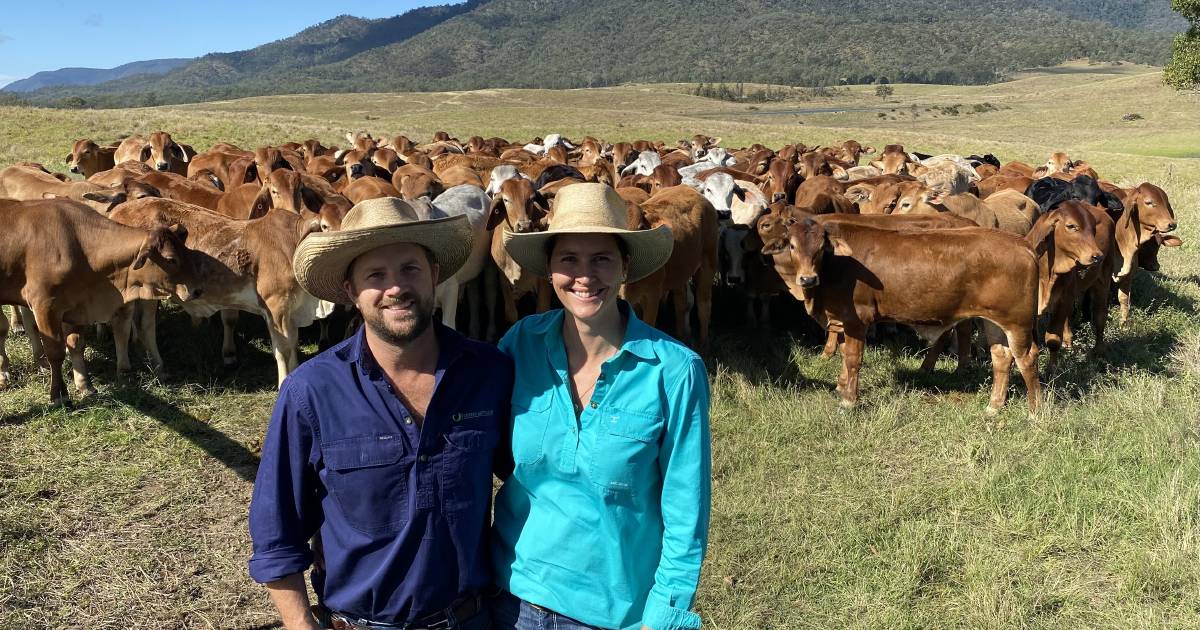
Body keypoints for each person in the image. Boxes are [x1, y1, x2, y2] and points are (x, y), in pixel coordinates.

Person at [249, 197, 513, 630]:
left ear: (434, 276)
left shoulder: (489, 373)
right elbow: (277, 528)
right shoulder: (311, 391)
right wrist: (300, 624)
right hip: (362, 622)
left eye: (410, 268)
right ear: (351, 292)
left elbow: (536, 481)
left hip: (470, 618)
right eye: (376, 275)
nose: (396, 287)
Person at [490, 183, 712, 630]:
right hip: (508, 594)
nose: (584, 277)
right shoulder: (521, 345)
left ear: (625, 266)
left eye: (602, 259)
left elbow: (686, 505)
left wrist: (664, 612)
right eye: (568, 259)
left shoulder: (674, 370)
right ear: (549, 269)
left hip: (612, 610)